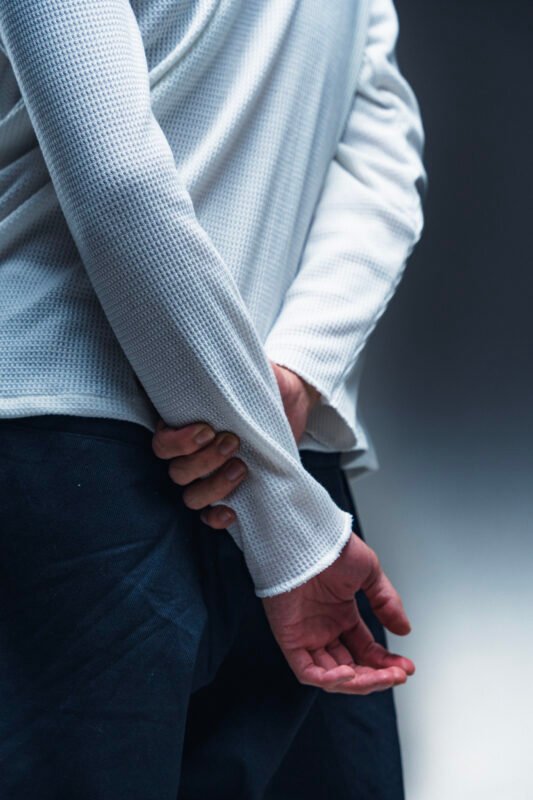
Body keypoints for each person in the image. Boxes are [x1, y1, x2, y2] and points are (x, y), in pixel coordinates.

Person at [0, 0, 426, 797]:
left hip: (75, 453)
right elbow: (381, 161)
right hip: (279, 470)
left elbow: (116, 171)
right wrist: (289, 381)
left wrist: (269, 452)